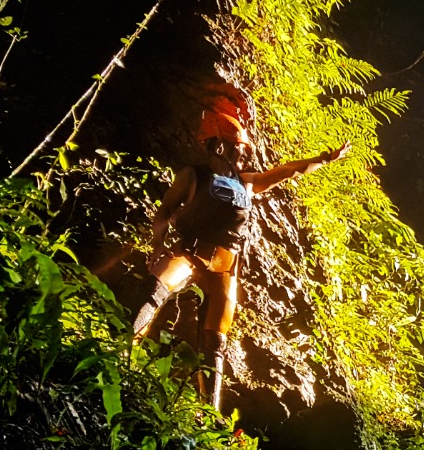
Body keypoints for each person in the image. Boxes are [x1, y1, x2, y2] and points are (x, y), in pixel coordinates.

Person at [131, 105, 350, 407]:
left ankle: (209, 412)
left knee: (215, 342)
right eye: (237, 148)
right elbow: (165, 211)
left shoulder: (246, 182)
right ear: (217, 145)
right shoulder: (193, 176)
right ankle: (120, 358)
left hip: (224, 268)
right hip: (188, 252)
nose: (241, 154)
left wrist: (322, 160)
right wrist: (158, 246)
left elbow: (285, 172)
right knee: (152, 294)